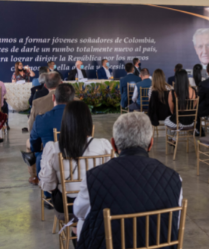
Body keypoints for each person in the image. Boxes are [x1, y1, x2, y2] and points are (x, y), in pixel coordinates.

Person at [74, 112, 182, 249]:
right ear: (151, 143)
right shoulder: (174, 178)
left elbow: (79, 212)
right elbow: (174, 223)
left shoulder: (93, 177)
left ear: (113, 145)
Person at [39, 101, 112, 213]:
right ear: (88, 120)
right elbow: (112, 175)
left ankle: (74, 228)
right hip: (96, 201)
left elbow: (48, 185)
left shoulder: (53, 148)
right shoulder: (103, 145)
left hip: (66, 204)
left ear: (65, 121)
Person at [30, 84, 75, 176]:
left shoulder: (41, 119)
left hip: (50, 169)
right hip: (77, 165)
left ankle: (38, 181)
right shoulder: (81, 118)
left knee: (39, 154)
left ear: (53, 97)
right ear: (73, 99)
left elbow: (34, 145)